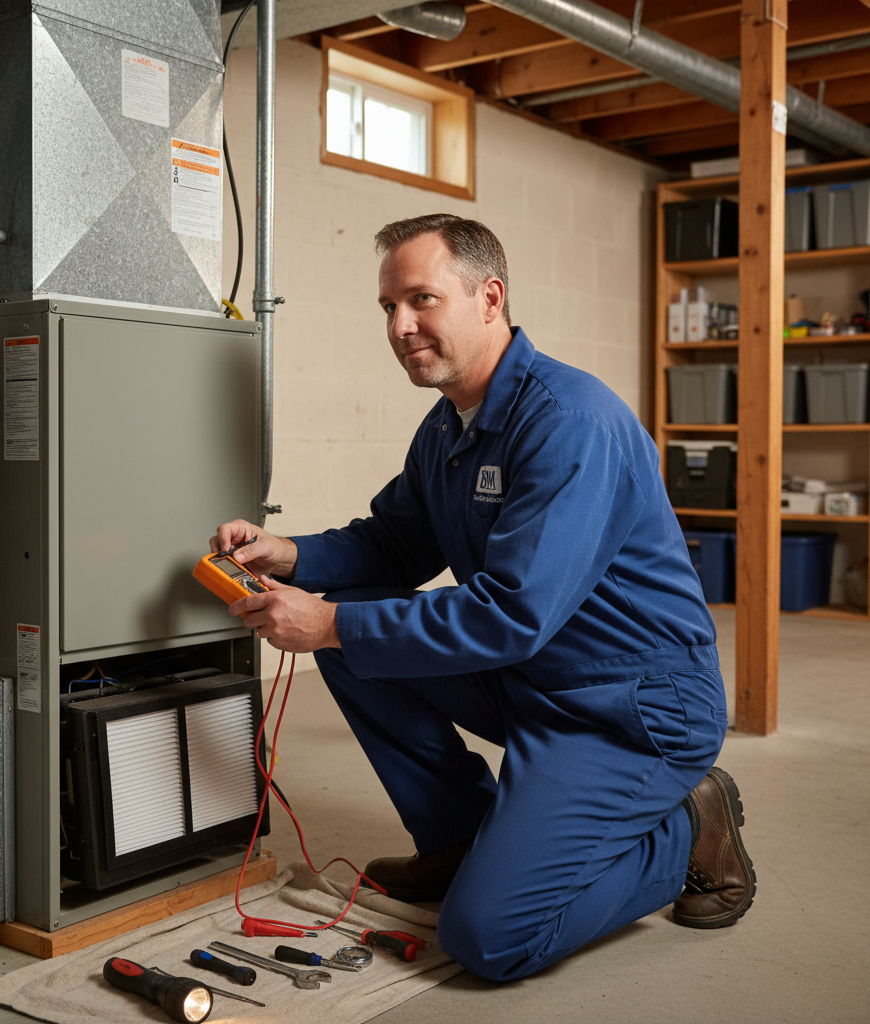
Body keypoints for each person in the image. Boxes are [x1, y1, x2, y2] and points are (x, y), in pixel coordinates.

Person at [210, 214, 756, 982]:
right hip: (537, 679)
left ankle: (684, 829)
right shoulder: (448, 430)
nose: (400, 327)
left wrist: (330, 623)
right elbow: (392, 545)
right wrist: (290, 553)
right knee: (355, 620)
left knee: (490, 939)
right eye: (387, 308)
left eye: (422, 300)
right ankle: (459, 842)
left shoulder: (568, 422)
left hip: (631, 708)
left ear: (488, 297)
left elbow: (511, 613)